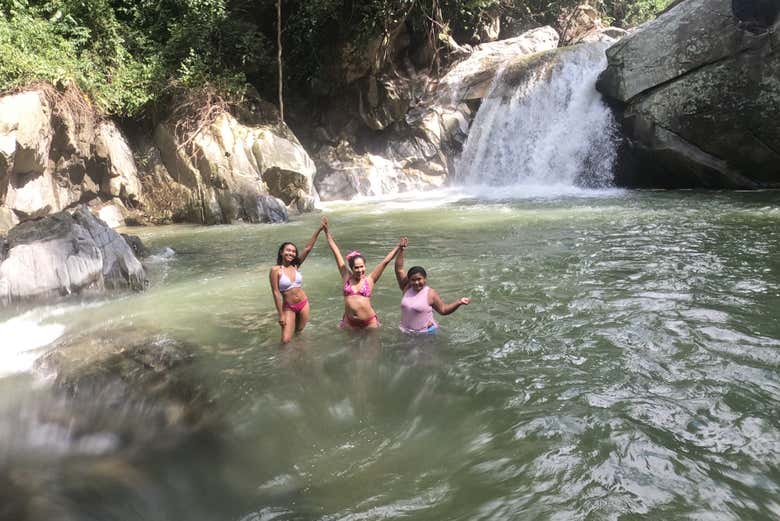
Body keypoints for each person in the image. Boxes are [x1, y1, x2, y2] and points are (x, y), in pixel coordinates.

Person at [322, 217, 404, 330]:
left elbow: (385, 262)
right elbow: (336, 251)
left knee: (371, 348)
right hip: (349, 322)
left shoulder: (370, 280)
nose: (360, 270)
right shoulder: (346, 276)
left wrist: (398, 247)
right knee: (349, 348)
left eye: (362, 267)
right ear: (351, 268)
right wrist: (327, 233)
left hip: (369, 323)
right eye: (357, 268)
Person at [394, 237, 470, 334]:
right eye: (413, 280)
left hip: (426, 333)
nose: (416, 282)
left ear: (425, 279)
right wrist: (401, 250)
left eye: (419, 279)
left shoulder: (430, 294)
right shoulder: (407, 287)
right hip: (407, 332)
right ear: (409, 280)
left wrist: (459, 302)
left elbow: (443, 310)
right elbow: (399, 269)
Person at [269, 218, 327, 343]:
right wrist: (281, 314)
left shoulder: (295, 266)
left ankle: (299, 357)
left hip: (303, 304)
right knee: (285, 340)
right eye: (288, 250)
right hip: (289, 307)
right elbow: (275, 293)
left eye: (294, 251)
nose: (291, 253)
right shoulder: (276, 270)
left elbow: (307, 248)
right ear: (281, 252)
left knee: (299, 334)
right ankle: (284, 360)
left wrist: (319, 229)